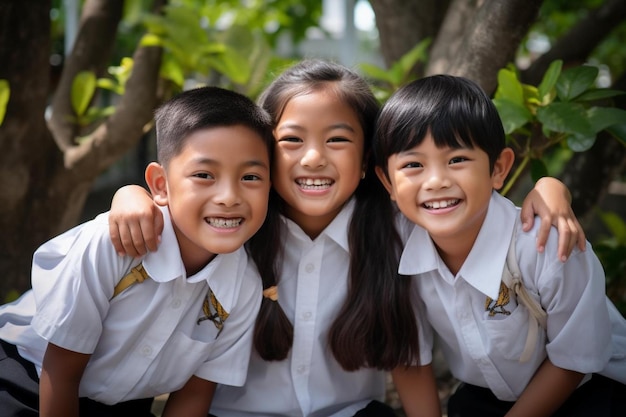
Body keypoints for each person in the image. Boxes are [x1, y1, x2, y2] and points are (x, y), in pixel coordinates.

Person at [107, 60, 586, 417]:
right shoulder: (234, 229)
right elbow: (170, 204)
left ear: (366, 164)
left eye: (337, 140)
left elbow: (409, 358)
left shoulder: (400, 229)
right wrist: (129, 194)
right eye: (291, 141)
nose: (314, 158)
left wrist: (550, 188)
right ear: (263, 156)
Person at [0, 86, 274, 417]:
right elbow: (60, 370)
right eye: (204, 175)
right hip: (29, 379)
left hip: (123, 403)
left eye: (250, 176)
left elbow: (194, 395)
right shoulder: (113, 244)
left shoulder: (243, 287)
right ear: (160, 184)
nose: (229, 196)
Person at [372, 74, 626, 417]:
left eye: (457, 160)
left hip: (591, 390)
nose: (436, 181)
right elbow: (409, 357)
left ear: (499, 168)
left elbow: (574, 361)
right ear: (387, 180)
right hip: (486, 397)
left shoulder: (546, 245)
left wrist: (553, 186)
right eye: (413, 165)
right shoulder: (396, 249)